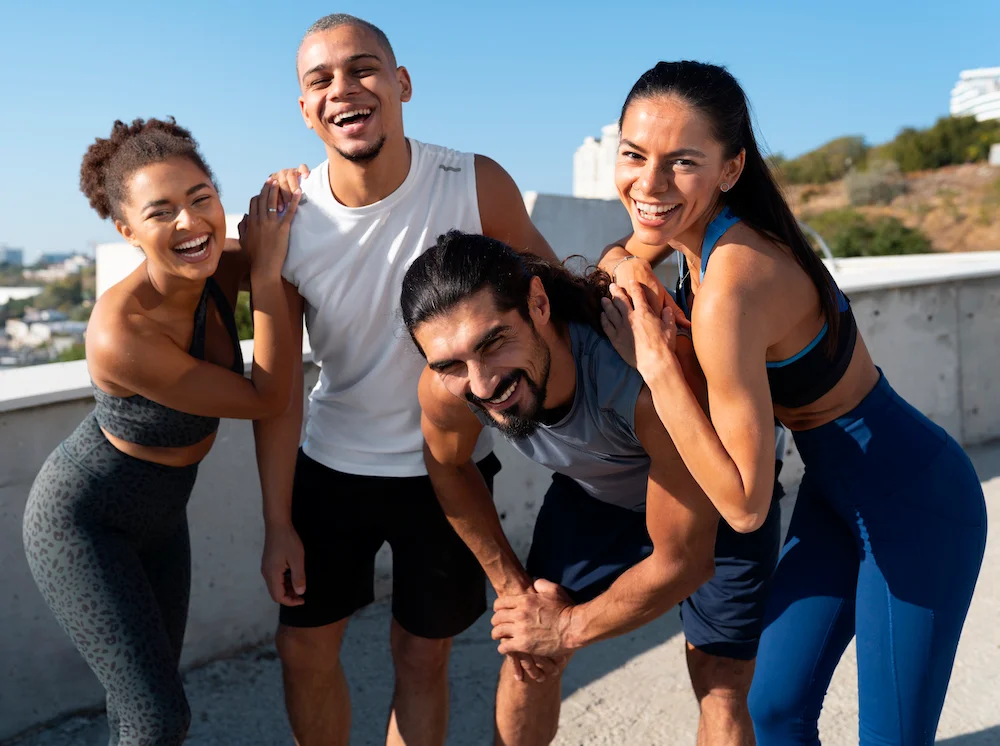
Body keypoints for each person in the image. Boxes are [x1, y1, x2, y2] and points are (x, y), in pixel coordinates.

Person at [599, 61, 988, 745]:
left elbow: (746, 505)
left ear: (730, 167)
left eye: (681, 162)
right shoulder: (690, 234)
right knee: (773, 710)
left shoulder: (731, 282)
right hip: (836, 495)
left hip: (914, 500)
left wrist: (657, 364)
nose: (649, 185)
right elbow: (615, 257)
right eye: (634, 155)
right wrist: (629, 265)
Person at [253, 14, 559, 746]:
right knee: (301, 649)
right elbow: (279, 388)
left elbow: (551, 302)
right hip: (331, 468)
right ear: (304, 109)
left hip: (446, 470)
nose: (343, 90)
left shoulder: (474, 182)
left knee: (422, 656)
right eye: (319, 80)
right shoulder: (283, 218)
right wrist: (276, 522)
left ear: (401, 84)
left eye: (362, 69)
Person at [400, 230, 782, 746]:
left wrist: (564, 628)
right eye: (450, 364)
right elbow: (448, 467)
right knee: (526, 649)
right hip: (596, 495)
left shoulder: (634, 377)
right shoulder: (452, 391)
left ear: (538, 303)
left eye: (493, 343)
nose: (482, 383)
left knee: (721, 686)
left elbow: (684, 562)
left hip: (716, 498)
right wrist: (517, 593)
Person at [21, 117, 299, 745]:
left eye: (202, 199)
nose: (189, 223)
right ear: (127, 231)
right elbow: (269, 397)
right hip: (85, 521)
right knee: (158, 717)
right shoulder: (121, 333)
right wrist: (263, 277)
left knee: (143, 711)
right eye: (161, 211)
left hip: (164, 516)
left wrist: (287, 188)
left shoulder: (215, 268)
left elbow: (290, 225)